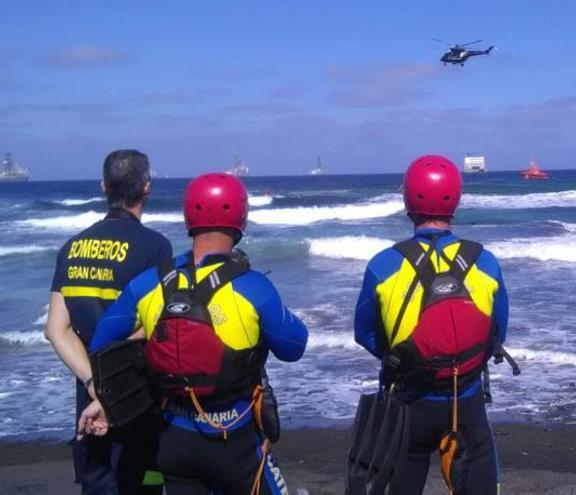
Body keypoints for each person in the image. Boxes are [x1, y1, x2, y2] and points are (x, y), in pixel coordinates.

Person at [80, 172, 308, 495]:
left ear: (188, 217)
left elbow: (102, 343)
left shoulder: (149, 283)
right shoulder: (254, 287)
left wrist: (107, 398)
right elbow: (294, 346)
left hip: (173, 441)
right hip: (234, 441)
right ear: (241, 217)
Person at [353, 155, 510, 494]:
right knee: (482, 466)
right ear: (456, 199)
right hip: (466, 400)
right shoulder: (485, 259)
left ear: (408, 199)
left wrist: (404, 356)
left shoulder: (383, 264)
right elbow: (498, 332)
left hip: (411, 403)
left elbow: (365, 334)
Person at [45, 149, 171, 494]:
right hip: (136, 398)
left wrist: (93, 383)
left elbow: (56, 330)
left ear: (104, 186)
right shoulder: (155, 248)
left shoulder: (72, 248)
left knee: (97, 485)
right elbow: (157, 326)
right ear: (147, 188)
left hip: (90, 402)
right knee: (143, 483)